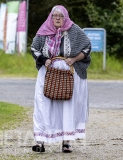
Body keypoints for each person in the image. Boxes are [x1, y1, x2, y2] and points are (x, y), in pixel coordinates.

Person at [31, 5, 91, 153]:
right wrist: (44, 59)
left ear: (66, 17)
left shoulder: (74, 30)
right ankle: (40, 141)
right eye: (54, 15)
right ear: (51, 17)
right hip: (48, 73)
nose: (57, 18)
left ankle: (66, 142)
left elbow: (87, 47)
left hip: (68, 74)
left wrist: (74, 59)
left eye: (60, 15)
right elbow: (34, 48)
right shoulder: (44, 31)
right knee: (43, 105)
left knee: (67, 107)